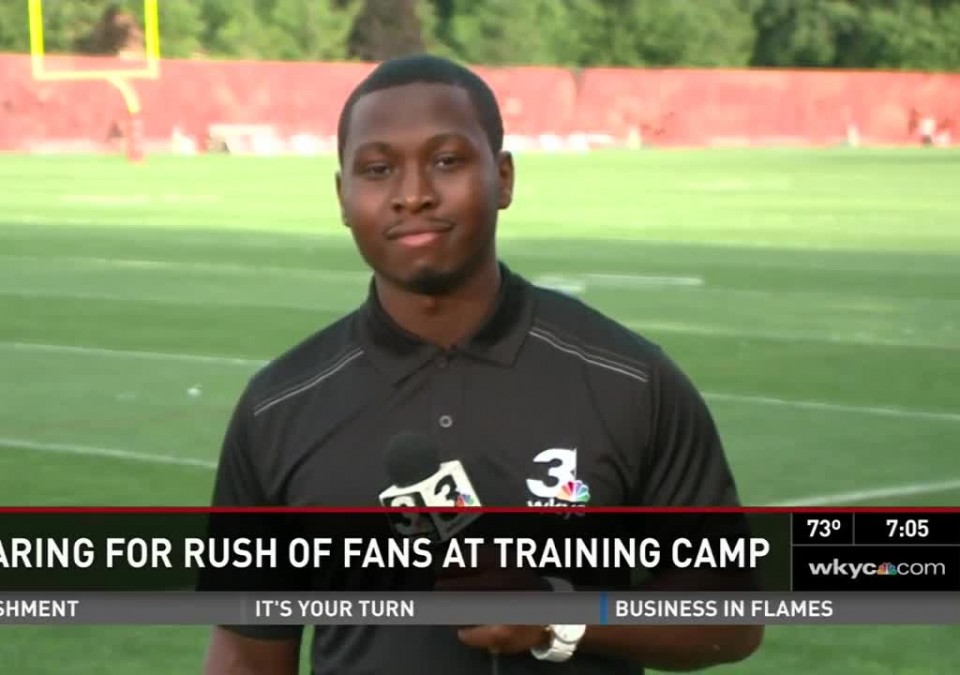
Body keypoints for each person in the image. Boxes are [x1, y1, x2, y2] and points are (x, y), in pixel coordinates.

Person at [203, 54, 763, 675]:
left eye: (447, 161)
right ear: (342, 196)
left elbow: (731, 618)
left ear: (503, 178)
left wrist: (560, 617)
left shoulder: (628, 381)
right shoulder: (278, 408)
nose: (413, 194)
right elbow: (247, 653)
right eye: (378, 169)